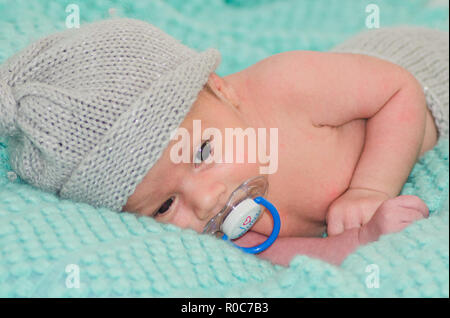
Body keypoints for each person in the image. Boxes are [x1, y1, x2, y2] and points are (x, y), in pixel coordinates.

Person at [1, 18, 447, 266]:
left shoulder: (290, 88)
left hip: (425, 72)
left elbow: (398, 90)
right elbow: (280, 251)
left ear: (222, 89)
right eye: (163, 206)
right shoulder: (217, 228)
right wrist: (356, 240)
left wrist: (370, 189)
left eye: (202, 152)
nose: (206, 200)